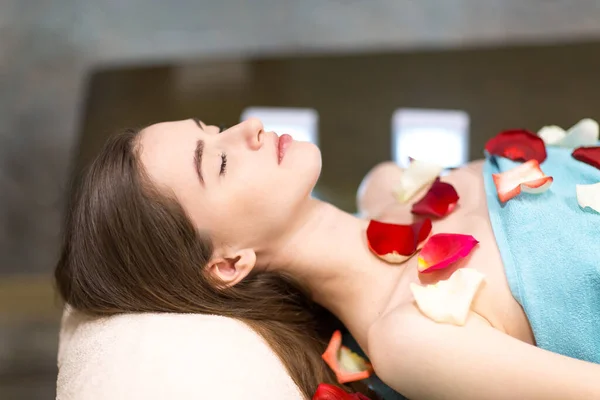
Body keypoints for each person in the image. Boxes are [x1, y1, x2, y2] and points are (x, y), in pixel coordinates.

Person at [55, 117, 600, 400]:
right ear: (229, 264)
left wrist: (383, 194)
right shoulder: (411, 337)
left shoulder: (391, 190)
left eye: (214, 130)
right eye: (217, 163)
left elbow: (381, 182)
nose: (247, 130)